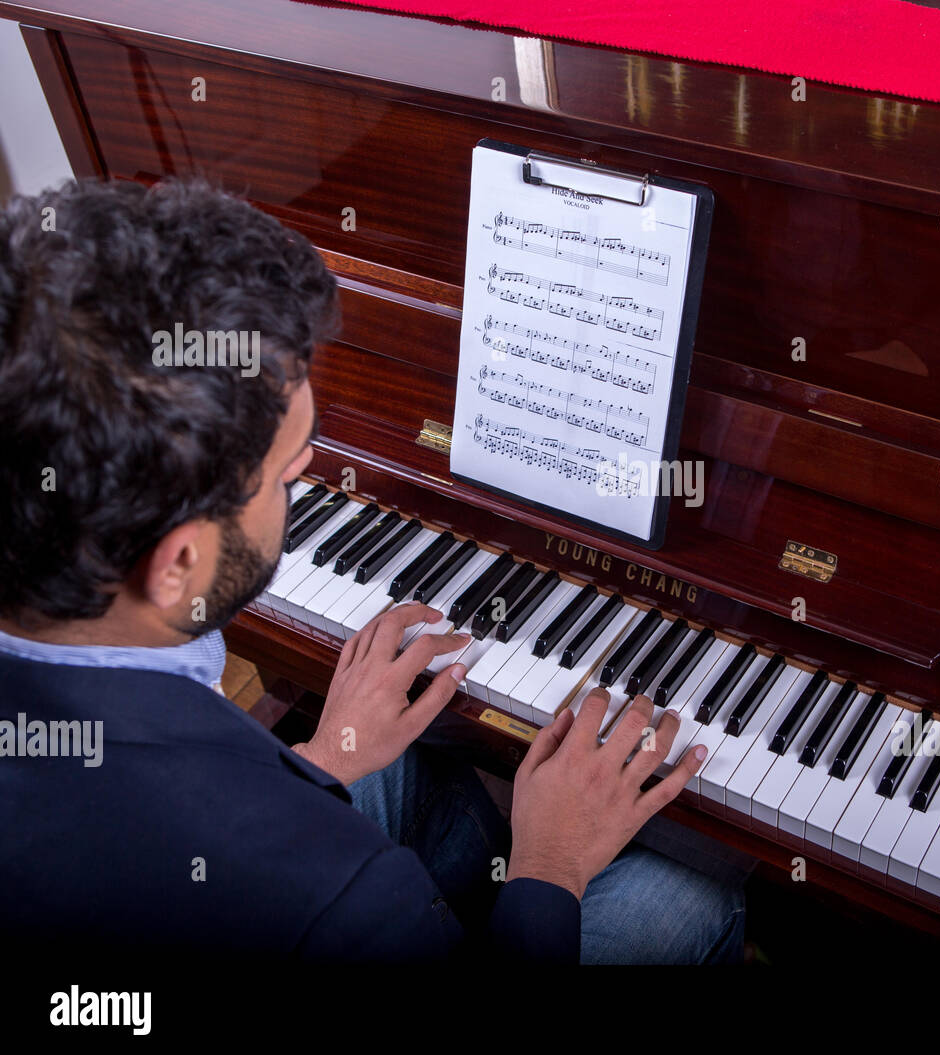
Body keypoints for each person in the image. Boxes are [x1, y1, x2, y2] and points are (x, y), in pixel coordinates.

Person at [0, 177, 744, 964]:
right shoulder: (332, 895)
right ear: (178, 560)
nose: (313, 468)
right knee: (690, 889)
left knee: (418, 770)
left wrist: (323, 762)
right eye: (290, 476)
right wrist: (547, 864)